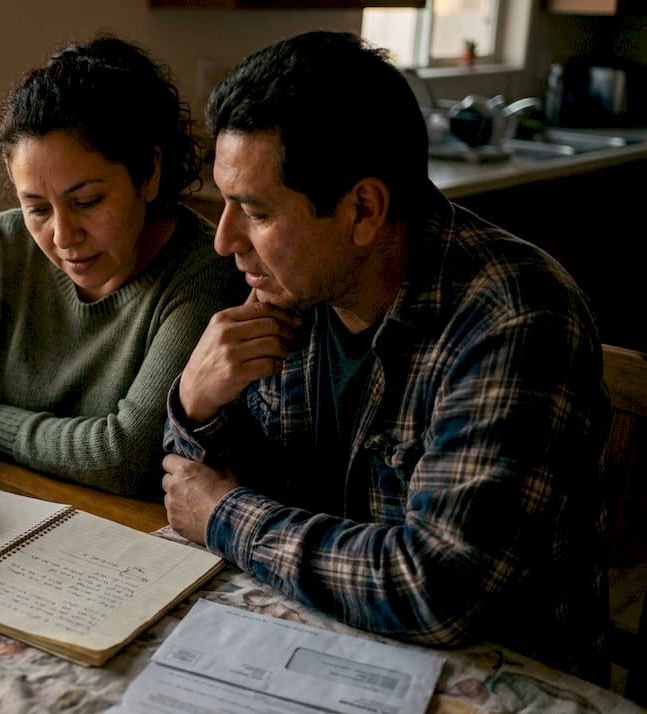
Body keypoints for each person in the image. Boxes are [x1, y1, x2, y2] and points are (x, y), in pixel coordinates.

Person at [161, 31, 611, 683]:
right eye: (225, 202)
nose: (225, 240)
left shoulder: (516, 316)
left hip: (498, 679)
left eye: (254, 212)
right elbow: (189, 489)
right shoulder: (290, 285)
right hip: (314, 646)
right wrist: (194, 404)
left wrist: (226, 517)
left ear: (364, 210)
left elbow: (436, 589)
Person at [0, 35, 244, 508]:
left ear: (149, 172)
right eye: (37, 208)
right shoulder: (5, 244)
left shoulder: (203, 271)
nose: (63, 236)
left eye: (87, 201)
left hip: (128, 531)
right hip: (10, 507)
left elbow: (126, 456)